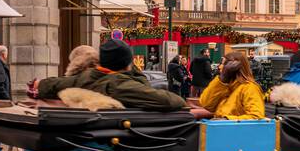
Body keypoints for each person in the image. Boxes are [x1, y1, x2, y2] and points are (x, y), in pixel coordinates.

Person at [34, 39, 189, 111]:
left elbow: (51, 84)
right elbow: (171, 100)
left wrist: (38, 85)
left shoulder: (85, 77)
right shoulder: (119, 84)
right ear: (127, 63)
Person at [199, 50, 266, 120]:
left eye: (224, 64)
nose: (220, 67)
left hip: (235, 130)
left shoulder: (249, 88)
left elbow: (257, 117)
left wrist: (227, 120)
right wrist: (222, 79)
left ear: (234, 67)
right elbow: (206, 104)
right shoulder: (225, 86)